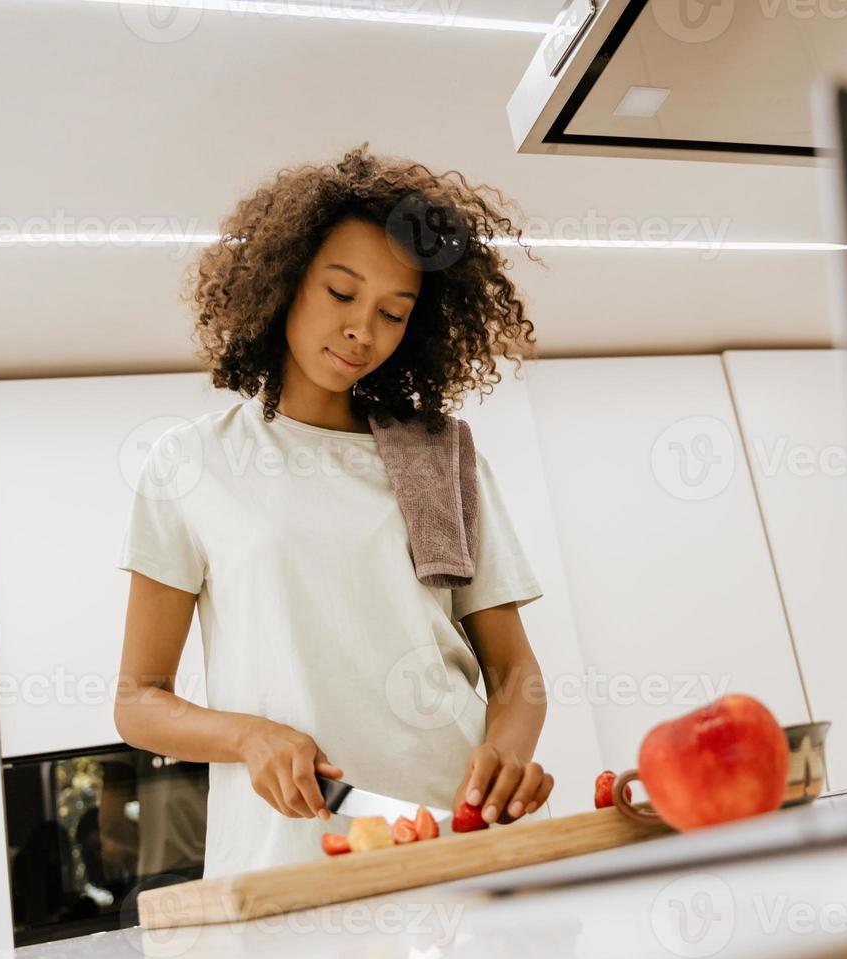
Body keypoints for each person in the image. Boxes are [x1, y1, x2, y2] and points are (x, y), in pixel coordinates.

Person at [113, 144, 553, 876]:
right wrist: (251, 738)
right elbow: (139, 700)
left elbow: (516, 676)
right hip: (286, 851)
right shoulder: (191, 465)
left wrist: (504, 758)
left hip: (453, 835)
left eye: (393, 312)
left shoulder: (442, 456)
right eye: (340, 293)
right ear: (285, 283)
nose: (363, 331)